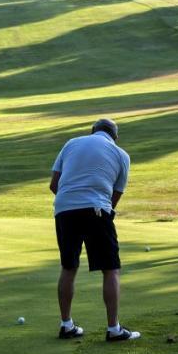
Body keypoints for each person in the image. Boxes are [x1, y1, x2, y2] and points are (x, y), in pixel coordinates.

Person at [50, 118, 139, 342]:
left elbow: (54, 184)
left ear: (92, 131)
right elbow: (115, 195)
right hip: (97, 208)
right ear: (115, 137)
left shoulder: (71, 143)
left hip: (64, 209)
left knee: (68, 267)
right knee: (110, 269)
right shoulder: (121, 154)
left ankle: (66, 325)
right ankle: (114, 329)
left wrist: (73, 202)